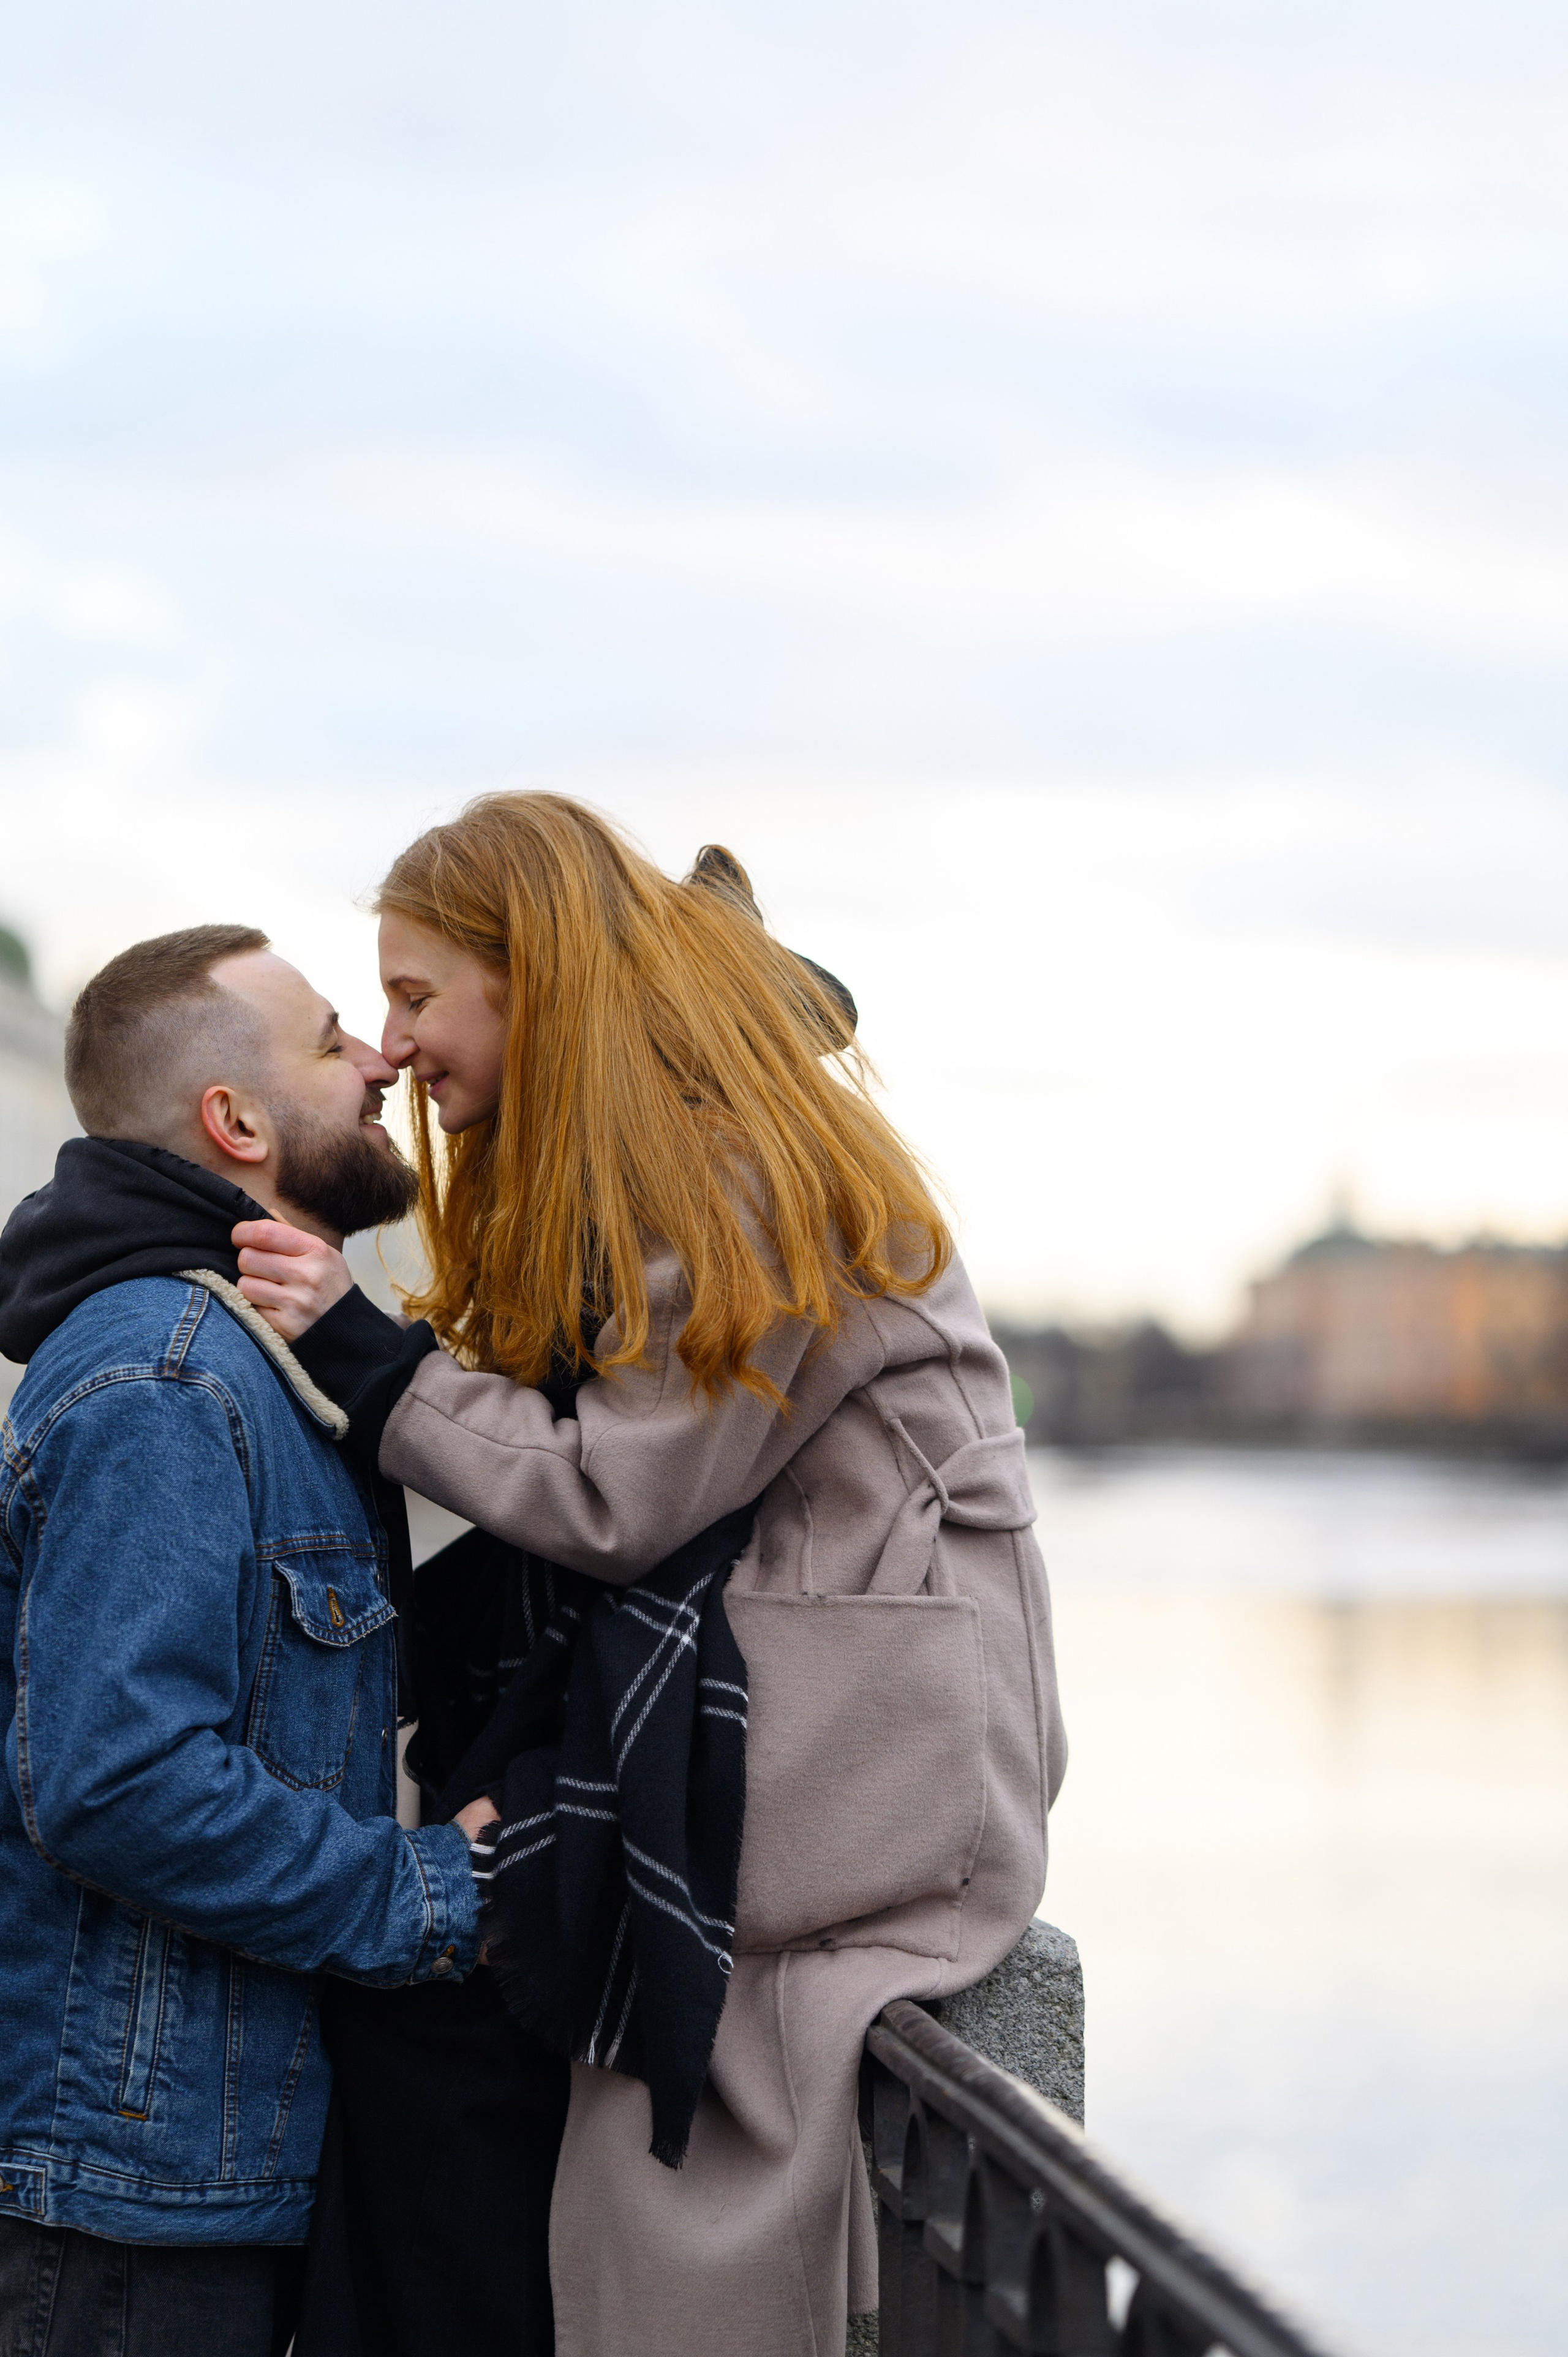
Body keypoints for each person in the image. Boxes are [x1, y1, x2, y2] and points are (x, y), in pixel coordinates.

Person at [238, 793, 1069, 2357]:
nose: (395, 1045)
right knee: (437, 2006)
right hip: (786, 1713)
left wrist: (362, 1350)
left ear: (537, 977)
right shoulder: (683, 1155)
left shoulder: (747, 1169)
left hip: (867, 1764)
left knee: (448, 2012)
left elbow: (617, 1493)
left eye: (417, 994)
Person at [0, 926, 492, 2357]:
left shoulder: (242, 1358)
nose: (380, 1060)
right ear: (237, 1121)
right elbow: (116, 1780)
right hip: (121, 2209)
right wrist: (435, 1893)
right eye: (334, 1038)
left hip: (179, 2180)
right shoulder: (168, 1378)